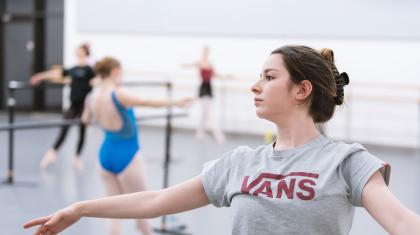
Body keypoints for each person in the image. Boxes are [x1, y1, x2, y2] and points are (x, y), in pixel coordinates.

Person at [24, 46, 420, 235]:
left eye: (268, 77)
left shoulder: (347, 162)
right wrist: (79, 208)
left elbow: (402, 221)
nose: (254, 86)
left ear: (302, 90)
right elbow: (156, 200)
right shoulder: (239, 164)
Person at [86, 57, 190, 235]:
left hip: (105, 155)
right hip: (127, 155)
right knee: (143, 208)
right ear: (116, 71)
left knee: (112, 212)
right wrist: (176, 103)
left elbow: (86, 120)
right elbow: (145, 102)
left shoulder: (92, 96)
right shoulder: (118, 93)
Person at [30, 43, 96, 171]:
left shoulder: (90, 70)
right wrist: (40, 76)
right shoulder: (73, 69)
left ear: (85, 52)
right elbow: (56, 73)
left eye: (81, 50)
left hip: (84, 107)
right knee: (64, 130)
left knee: (82, 133)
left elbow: (99, 76)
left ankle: (77, 158)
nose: (78, 52)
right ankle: (52, 153)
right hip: (73, 105)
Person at [181, 46, 231, 144]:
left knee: (206, 114)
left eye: (207, 51)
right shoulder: (199, 62)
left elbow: (215, 75)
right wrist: (183, 65)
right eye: (205, 51)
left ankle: (200, 135)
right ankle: (216, 136)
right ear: (202, 52)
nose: (206, 53)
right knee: (207, 114)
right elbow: (191, 65)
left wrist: (226, 77)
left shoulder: (210, 64)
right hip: (203, 89)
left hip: (209, 89)